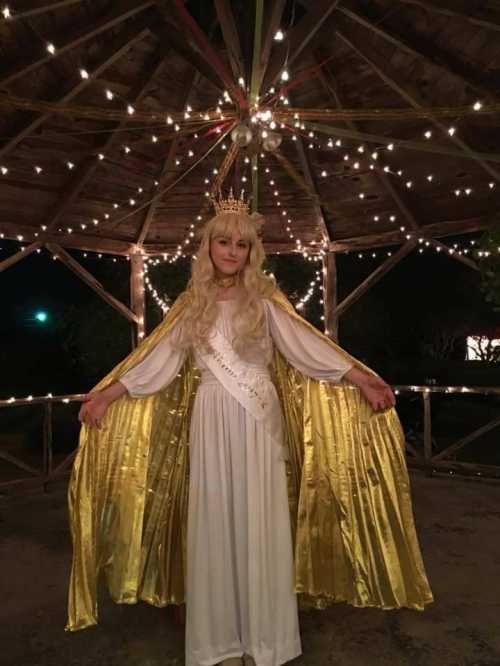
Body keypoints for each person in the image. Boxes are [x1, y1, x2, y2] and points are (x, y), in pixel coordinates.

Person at [68, 194, 433, 666]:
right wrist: (107, 395)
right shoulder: (189, 304)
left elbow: (306, 348)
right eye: (224, 241)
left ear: (251, 251)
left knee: (260, 521)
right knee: (214, 521)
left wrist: (363, 379)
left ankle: (266, 641)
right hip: (210, 416)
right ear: (209, 246)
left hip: (258, 418)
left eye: (242, 244)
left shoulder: (265, 299)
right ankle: (219, 643)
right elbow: (158, 363)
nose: (232, 251)